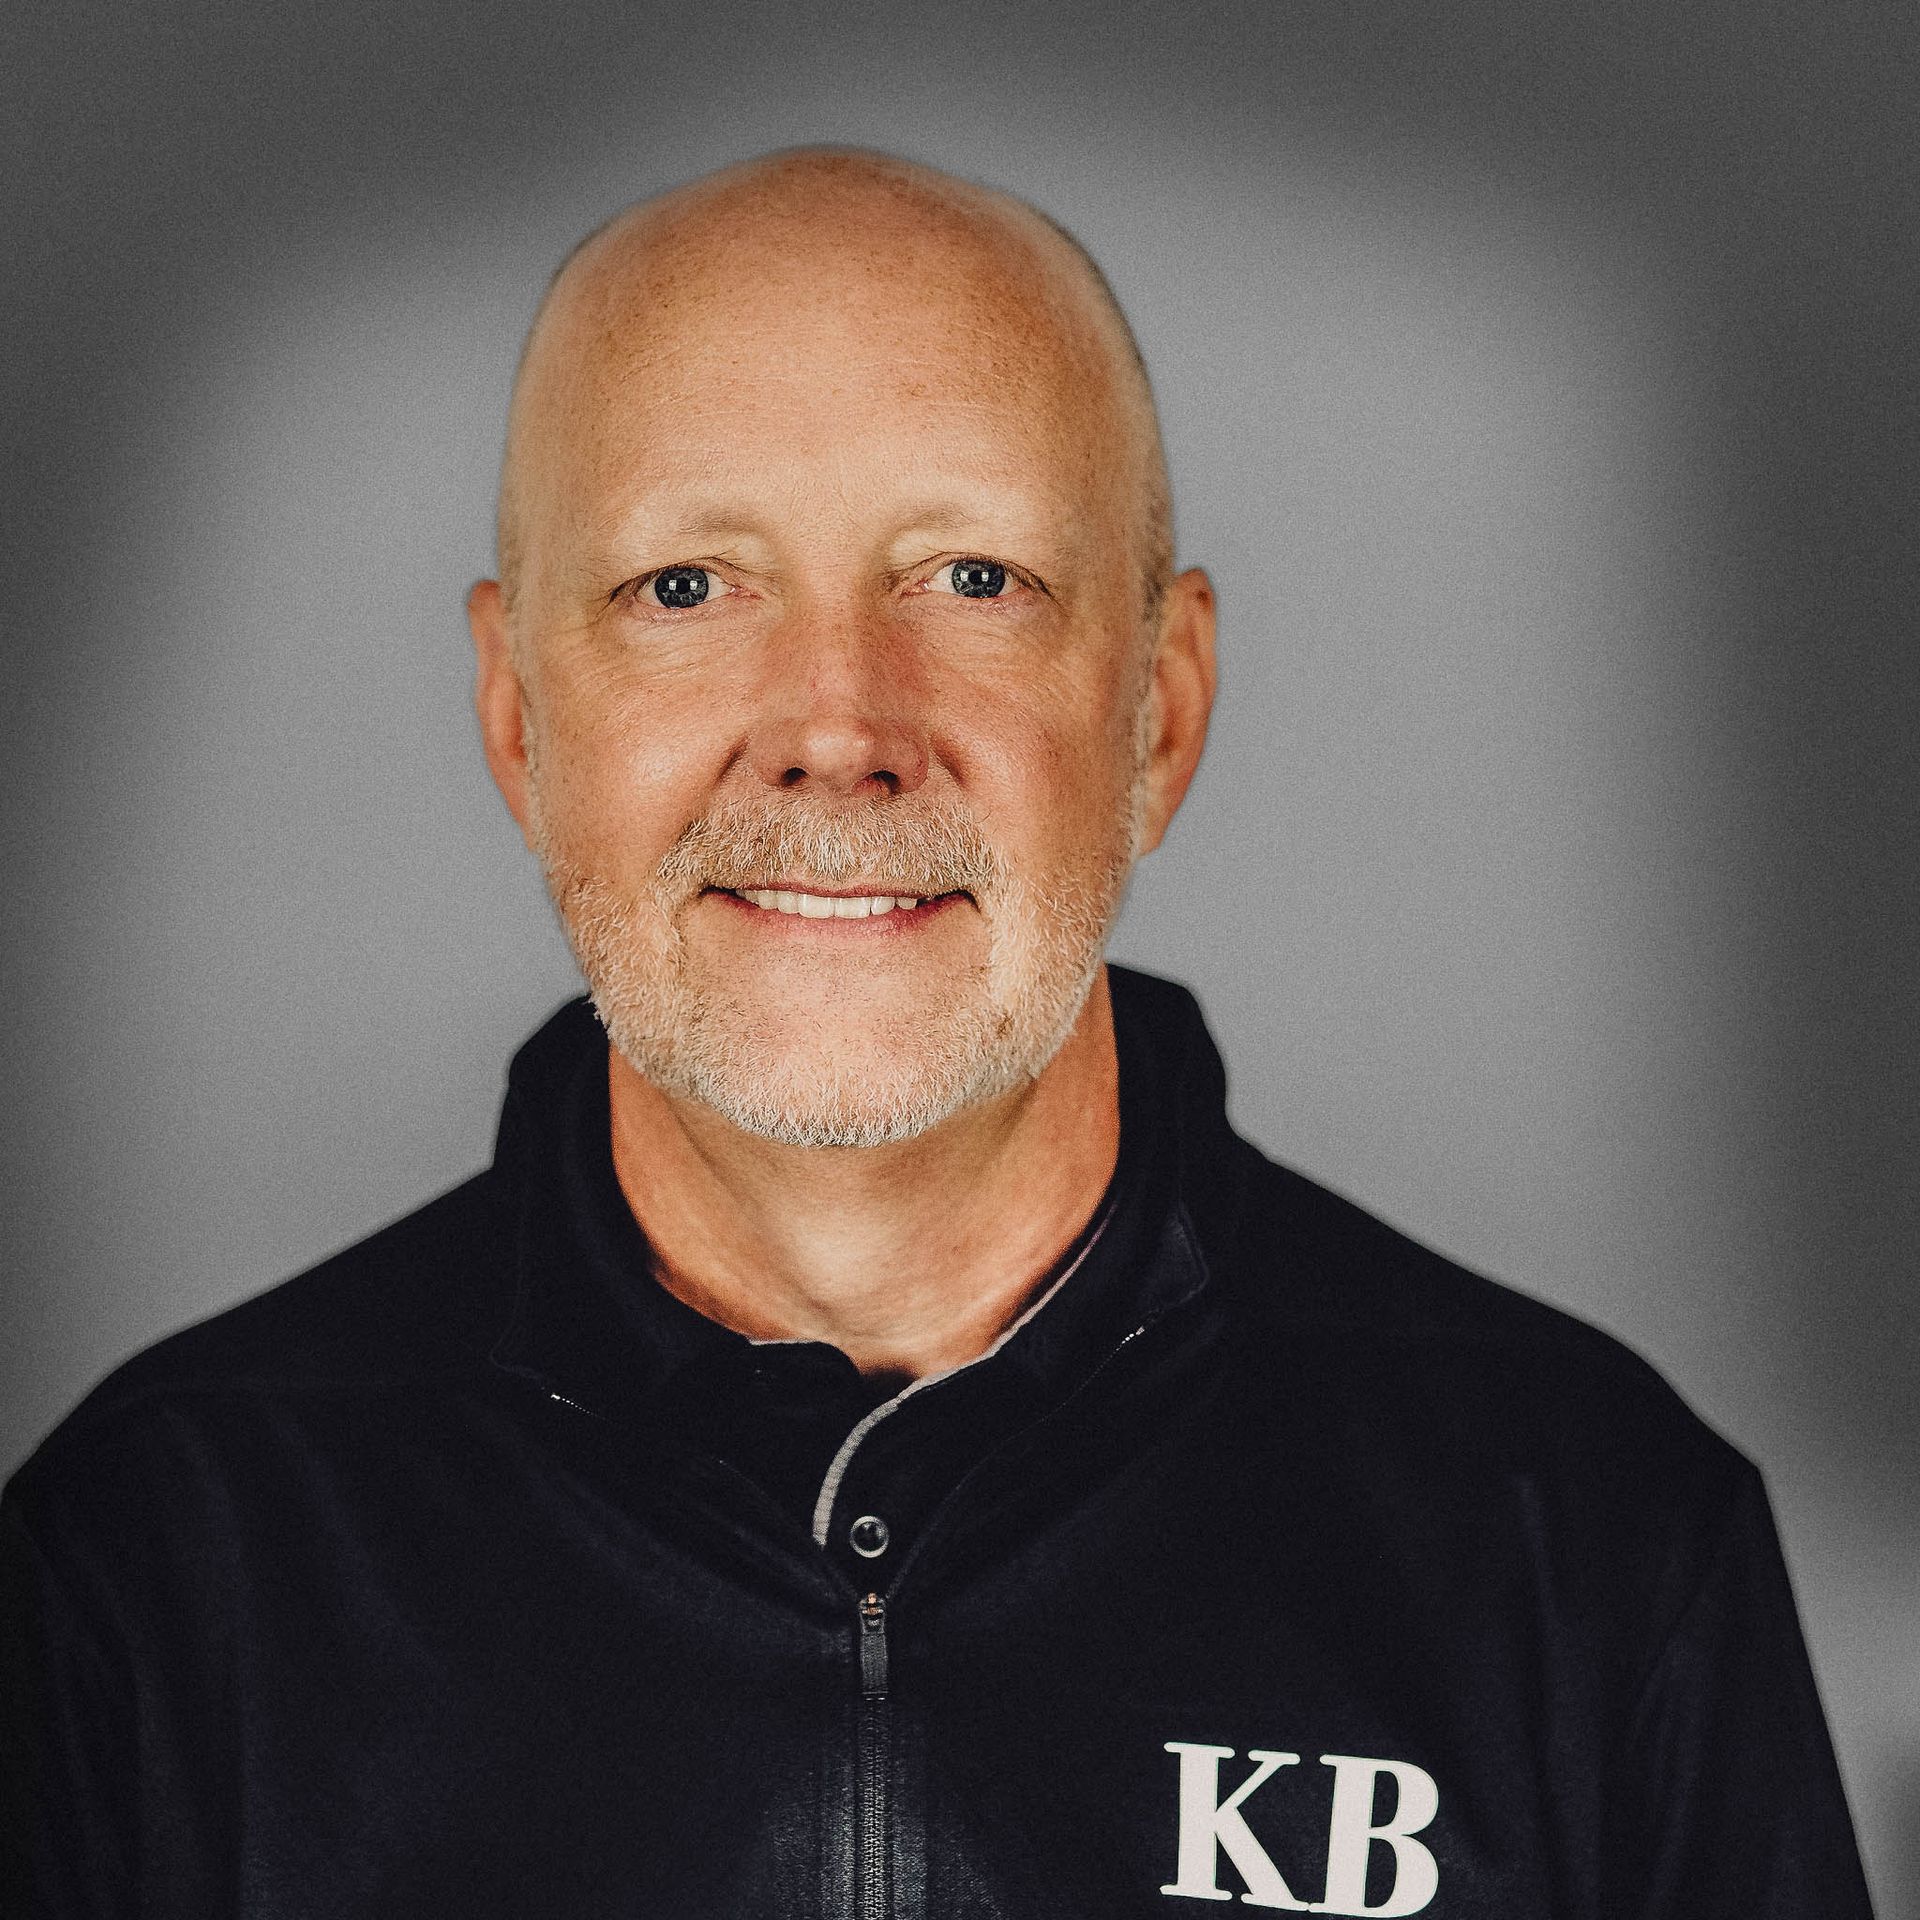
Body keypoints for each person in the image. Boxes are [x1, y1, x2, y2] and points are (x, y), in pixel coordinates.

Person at [0, 148, 1872, 1919]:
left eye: (974, 579)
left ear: (1159, 710)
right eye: (684, 587)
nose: (838, 726)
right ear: (518, 717)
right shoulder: (154, 1561)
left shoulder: (1588, 1539)